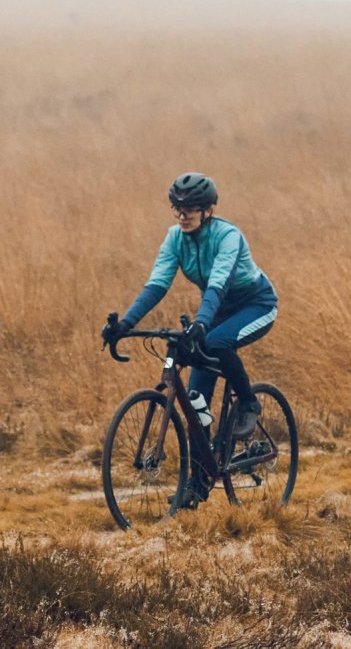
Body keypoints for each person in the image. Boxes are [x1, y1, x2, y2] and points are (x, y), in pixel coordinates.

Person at [102, 172, 279, 506]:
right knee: (196, 397)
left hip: (255, 305)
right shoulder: (175, 238)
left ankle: (248, 402)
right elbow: (156, 285)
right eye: (178, 209)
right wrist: (125, 324)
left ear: (208, 210)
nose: (183, 215)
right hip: (215, 312)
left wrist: (201, 323)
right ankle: (198, 483)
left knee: (216, 342)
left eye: (191, 209)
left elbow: (218, 285)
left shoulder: (228, 236)